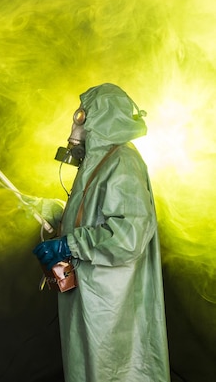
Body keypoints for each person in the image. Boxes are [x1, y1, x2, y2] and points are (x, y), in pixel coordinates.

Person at [33, 83, 170, 381]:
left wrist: (68, 243)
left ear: (99, 117)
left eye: (81, 117)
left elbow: (128, 236)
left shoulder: (123, 162)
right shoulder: (97, 163)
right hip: (91, 300)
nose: (75, 124)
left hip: (111, 304)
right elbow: (92, 216)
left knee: (116, 371)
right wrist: (55, 211)